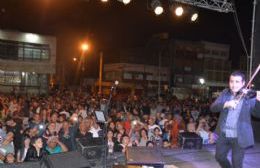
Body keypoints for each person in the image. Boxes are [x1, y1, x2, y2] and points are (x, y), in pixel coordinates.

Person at [210, 71, 260, 168]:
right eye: (231, 81)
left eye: (237, 82)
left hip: (239, 136)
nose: (234, 84)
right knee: (219, 157)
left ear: (243, 83)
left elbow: (257, 114)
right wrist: (226, 104)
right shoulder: (225, 93)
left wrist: (258, 101)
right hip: (223, 134)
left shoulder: (249, 96)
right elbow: (213, 107)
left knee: (237, 164)